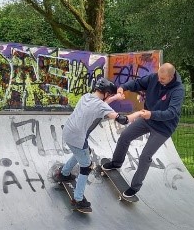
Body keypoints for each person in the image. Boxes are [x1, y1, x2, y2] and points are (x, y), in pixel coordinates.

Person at [54, 77, 142, 211]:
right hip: (77, 138)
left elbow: (103, 103)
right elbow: (123, 120)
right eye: (110, 94)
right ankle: (78, 199)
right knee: (86, 166)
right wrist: (139, 113)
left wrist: (116, 97)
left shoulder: (87, 97)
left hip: (67, 132)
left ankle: (64, 174)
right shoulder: (102, 106)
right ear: (106, 93)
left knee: (84, 153)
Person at [101, 63, 184, 199]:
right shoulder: (154, 78)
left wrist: (152, 114)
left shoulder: (178, 90)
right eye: (158, 77)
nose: (159, 80)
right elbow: (137, 83)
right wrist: (123, 88)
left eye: (162, 79)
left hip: (164, 127)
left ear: (171, 77)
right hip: (147, 119)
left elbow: (172, 112)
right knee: (125, 136)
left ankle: (135, 187)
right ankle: (116, 163)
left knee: (145, 156)